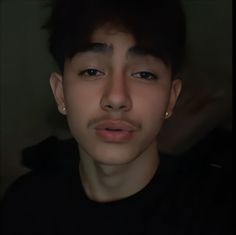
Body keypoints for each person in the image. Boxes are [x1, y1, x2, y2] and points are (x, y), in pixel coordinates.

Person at [1, 0, 232, 234]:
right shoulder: (25, 208)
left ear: (171, 98)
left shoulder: (215, 211)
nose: (116, 97)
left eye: (144, 74)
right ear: (61, 94)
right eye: (92, 71)